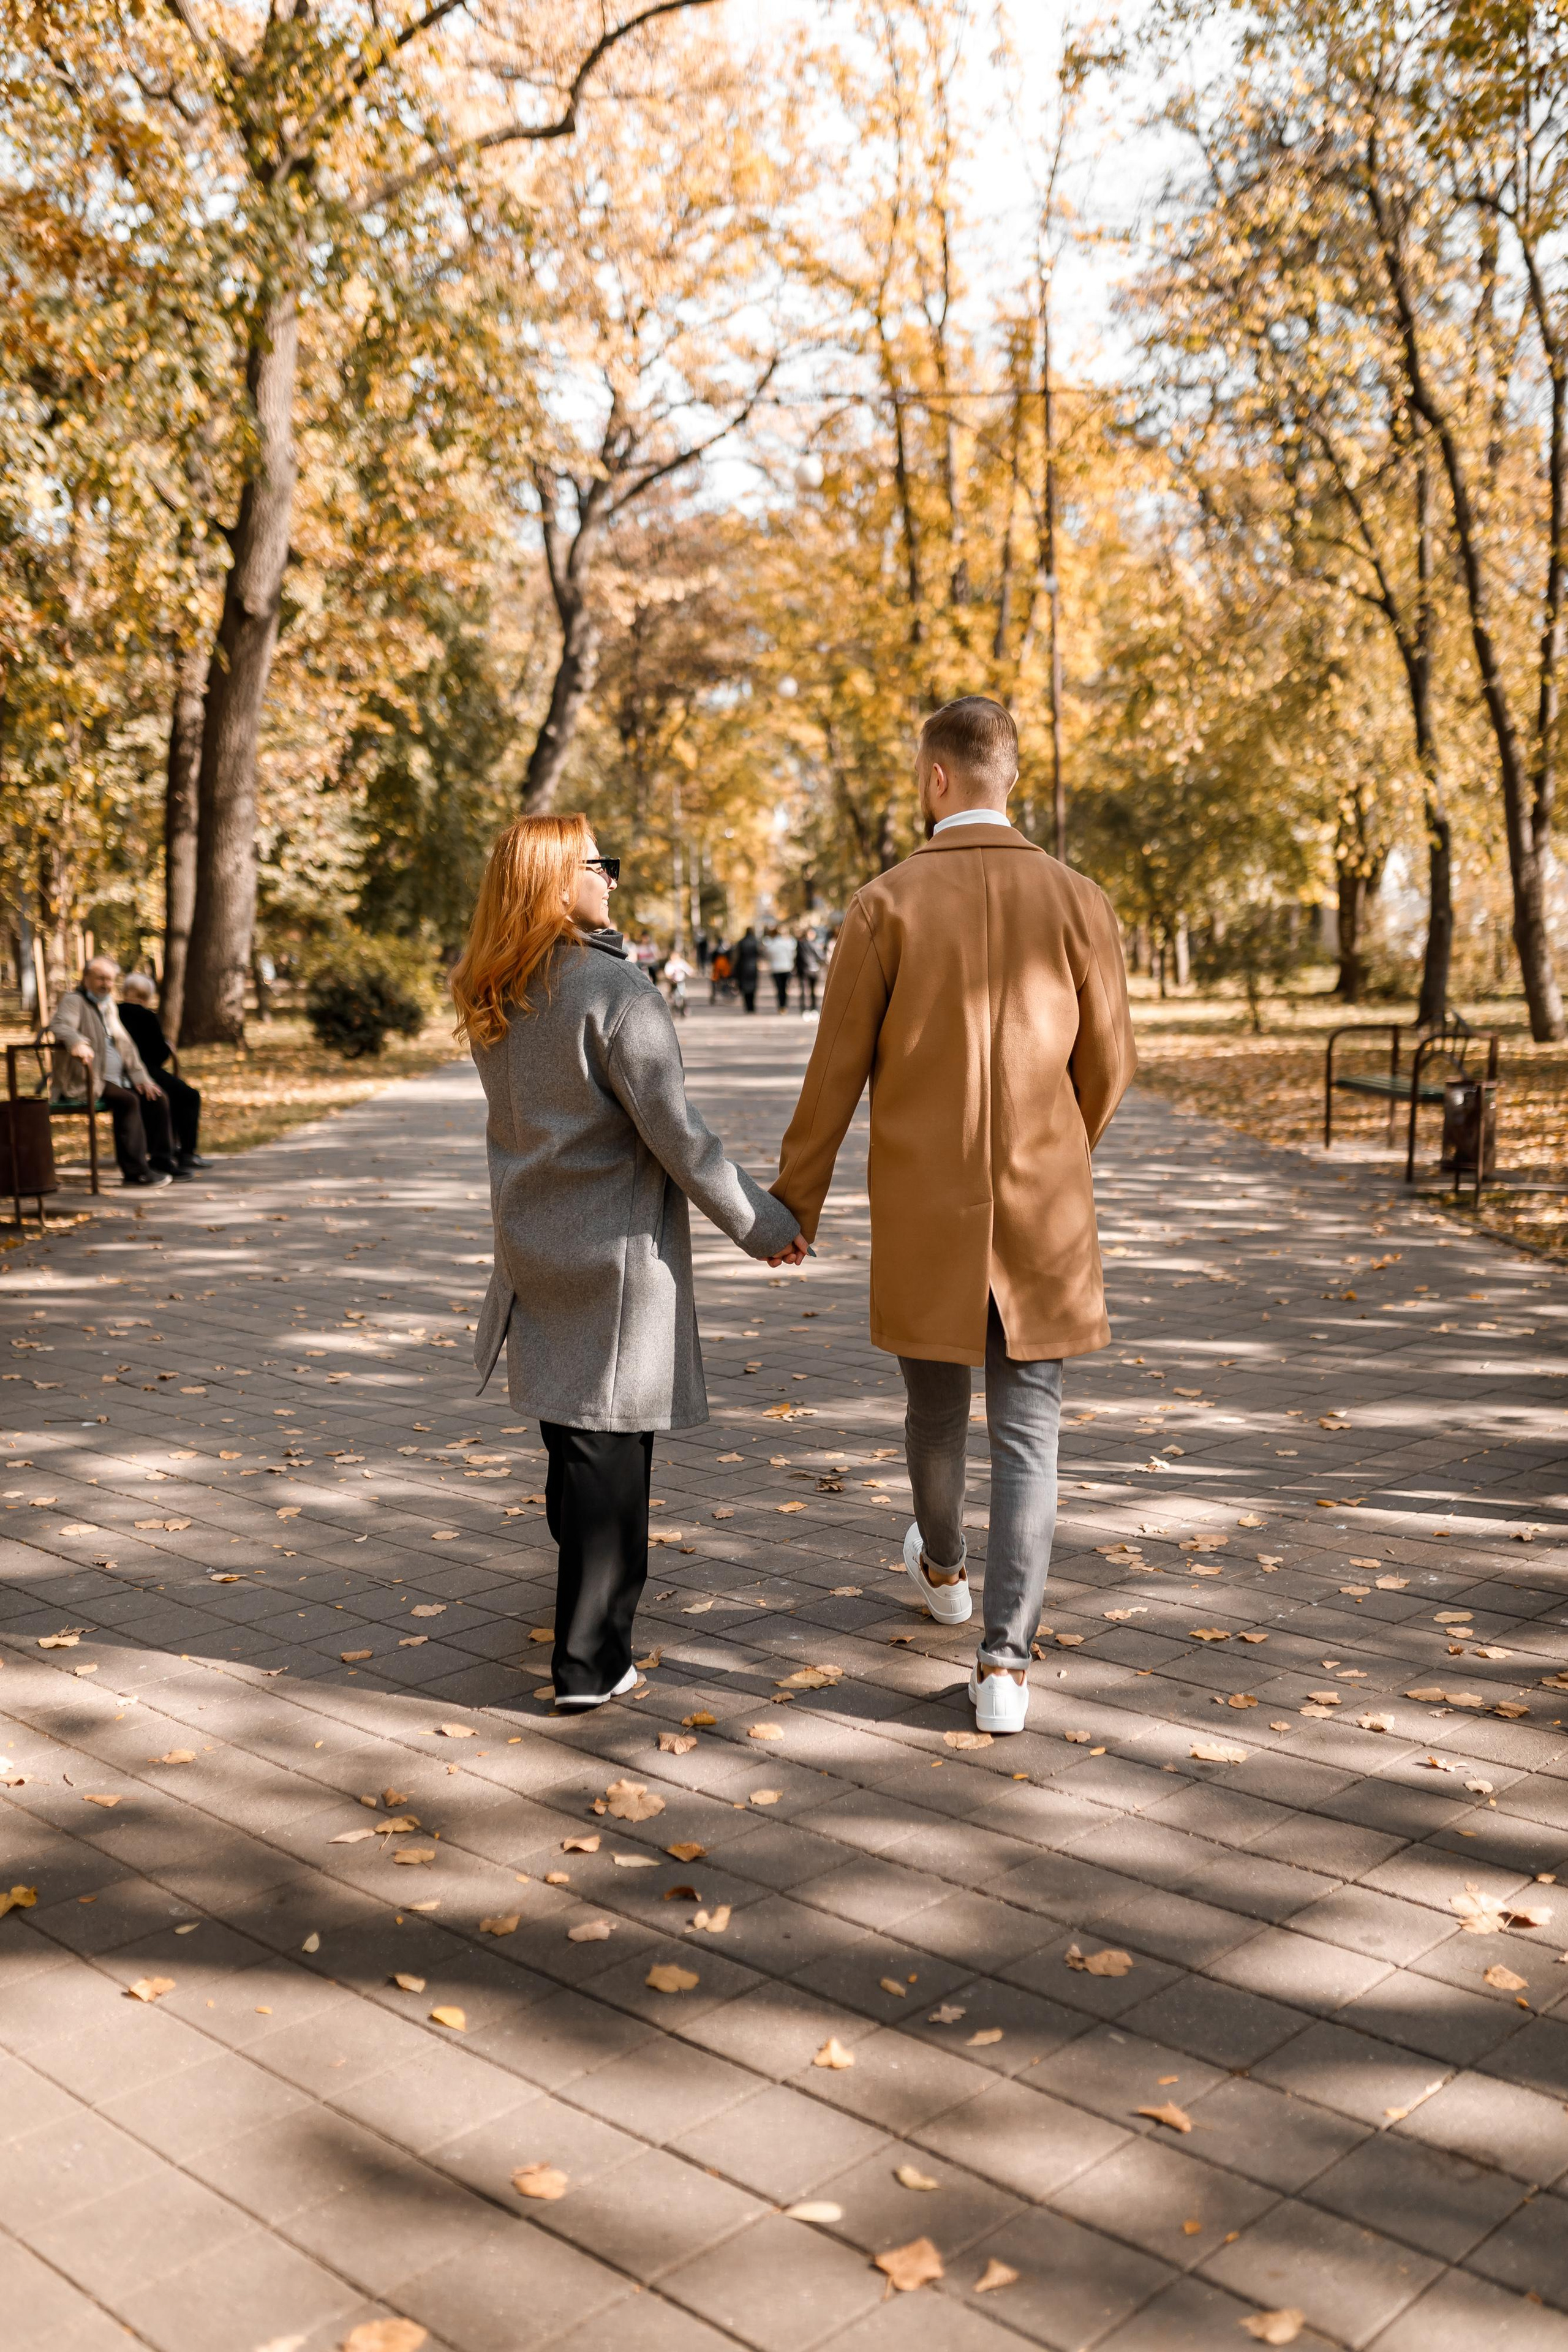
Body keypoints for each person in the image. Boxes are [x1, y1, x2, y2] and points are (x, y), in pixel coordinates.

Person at [769, 697, 1135, 1735]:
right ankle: (1005, 1669)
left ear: (936, 779)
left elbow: (833, 1073)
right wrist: (1062, 1156)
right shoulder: (1079, 900)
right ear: (1007, 776)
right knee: (1030, 1437)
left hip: (927, 1214)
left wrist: (796, 1204)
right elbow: (1109, 1068)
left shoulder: (885, 904)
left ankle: (943, 1566)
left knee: (934, 1412)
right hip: (1045, 1214)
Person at [453, 816, 804, 1709]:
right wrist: (765, 1226)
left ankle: (585, 1624)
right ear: (548, 881)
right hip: (615, 1260)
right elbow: (679, 1139)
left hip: (534, 1247)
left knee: (574, 1443)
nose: (609, 876)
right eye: (593, 864)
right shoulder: (616, 993)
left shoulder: (500, 993)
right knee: (611, 1458)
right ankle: (590, 1661)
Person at [50, 956, 183, 1188]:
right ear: (86, 979)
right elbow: (60, 1026)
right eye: (101, 978)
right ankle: (136, 1172)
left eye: (110, 980)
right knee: (128, 1101)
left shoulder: (108, 1003)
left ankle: (162, 1161)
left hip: (117, 1077)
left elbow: (125, 1043)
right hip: (90, 1079)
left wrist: (141, 1077)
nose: (106, 984)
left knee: (156, 1096)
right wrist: (76, 1042)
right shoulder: (74, 1001)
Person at [117, 974, 208, 1170]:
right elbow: (158, 1055)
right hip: (145, 1071)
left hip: (119, 1072)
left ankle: (171, 1148)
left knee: (172, 1093)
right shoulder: (147, 1016)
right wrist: (168, 1047)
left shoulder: (115, 1012)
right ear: (146, 995)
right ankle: (187, 1152)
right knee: (189, 1096)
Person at [764, 927, 796, 1011]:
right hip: (787, 968)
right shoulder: (787, 943)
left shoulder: (771, 944)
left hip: (776, 969)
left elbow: (768, 956)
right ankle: (784, 1005)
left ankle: (781, 1006)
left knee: (779, 988)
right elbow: (792, 955)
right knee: (785, 988)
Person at [733, 927, 760, 1014]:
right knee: (753, 987)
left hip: (743, 967)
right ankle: (752, 1006)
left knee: (745, 987)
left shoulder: (741, 942)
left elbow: (736, 956)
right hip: (753, 967)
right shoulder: (755, 942)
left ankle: (748, 1007)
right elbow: (759, 954)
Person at [794, 928, 821, 1013]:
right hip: (806, 970)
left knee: (812, 990)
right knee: (804, 990)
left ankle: (812, 1008)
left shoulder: (815, 944)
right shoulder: (803, 944)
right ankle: (805, 1008)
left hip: (811, 970)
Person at [662, 947, 693, 1017]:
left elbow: (689, 970)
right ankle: (673, 1007)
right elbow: (667, 973)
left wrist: (691, 973)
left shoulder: (682, 963)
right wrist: (669, 976)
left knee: (684, 995)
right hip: (673, 983)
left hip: (681, 981)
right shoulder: (669, 964)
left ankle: (685, 1008)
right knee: (672, 996)